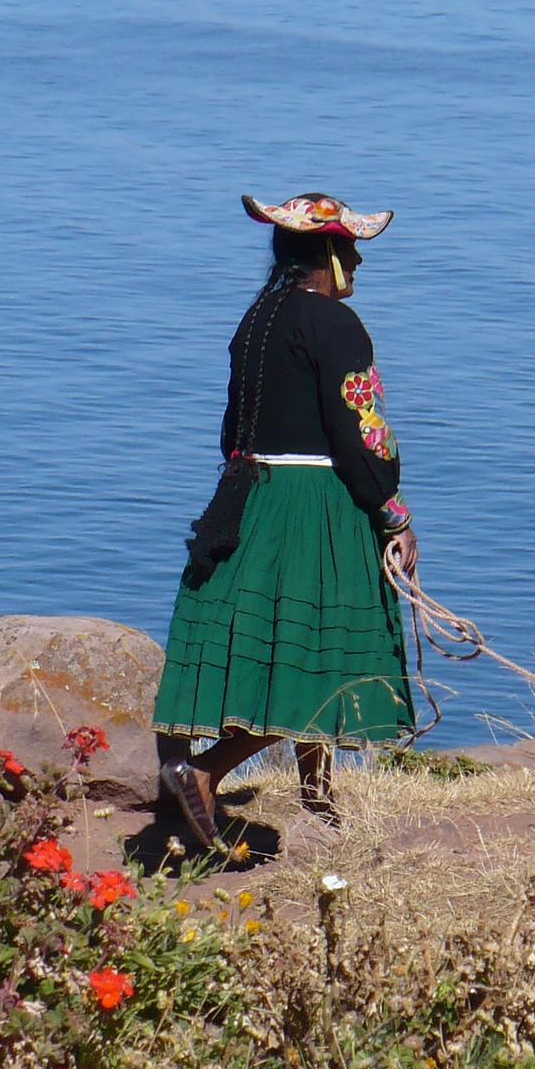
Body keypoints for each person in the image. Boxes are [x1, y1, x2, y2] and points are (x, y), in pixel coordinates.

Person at [150, 192, 419, 847]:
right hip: (314, 506)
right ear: (325, 253)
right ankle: (205, 771)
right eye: (349, 247)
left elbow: (230, 431)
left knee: (289, 646)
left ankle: (316, 797)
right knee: (314, 661)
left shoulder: (256, 324)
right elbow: (362, 437)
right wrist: (392, 512)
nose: (357, 258)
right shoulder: (337, 328)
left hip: (249, 497)